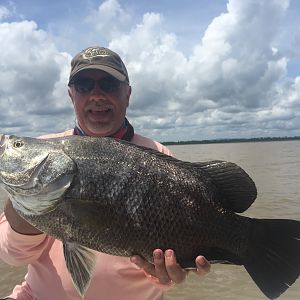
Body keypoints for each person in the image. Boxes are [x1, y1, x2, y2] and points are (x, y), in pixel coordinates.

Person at [0, 46, 210, 300]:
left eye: (109, 84)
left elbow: (164, 277)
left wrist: (165, 275)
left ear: (128, 93)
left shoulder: (158, 155)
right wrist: (23, 208)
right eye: (84, 85)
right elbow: (13, 257)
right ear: (71, 95)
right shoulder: (46, 151)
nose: (96, 95)